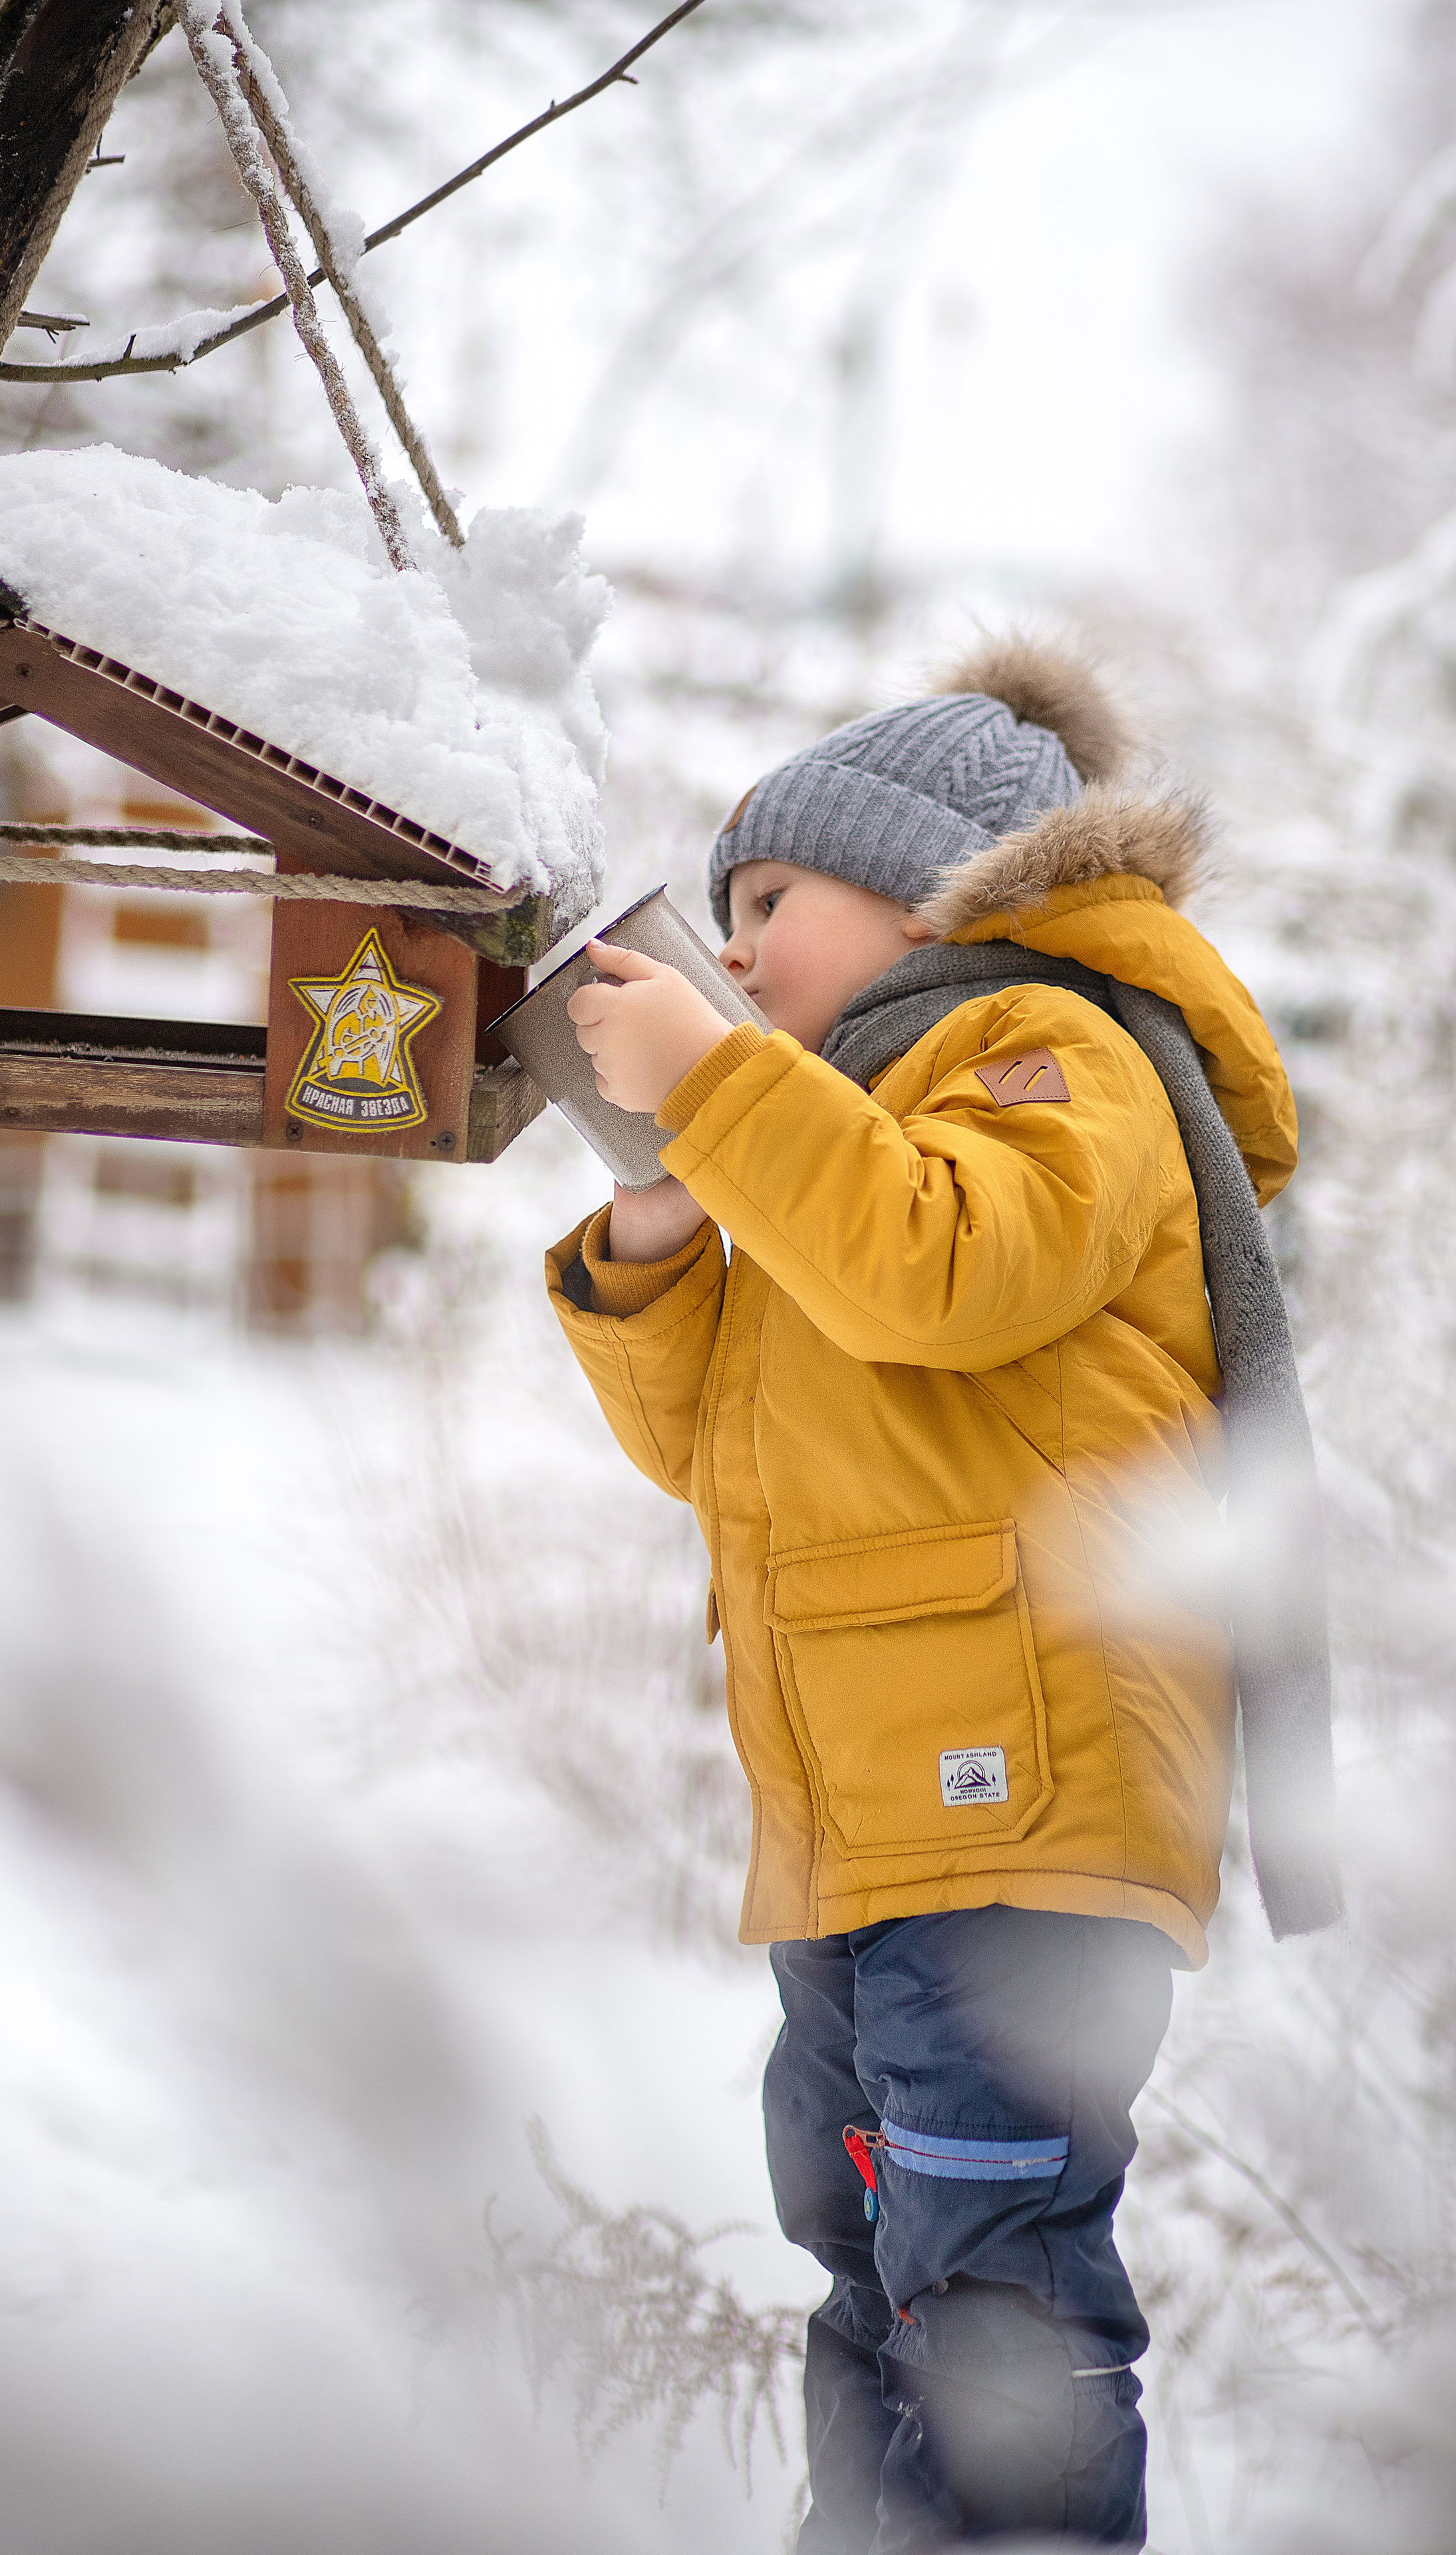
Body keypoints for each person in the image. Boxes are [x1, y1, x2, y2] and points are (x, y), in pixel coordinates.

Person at [544, 637, 1338, 2550]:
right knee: (871, 2257)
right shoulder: (839, 1131)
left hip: (1024, 1802)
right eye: (727, 919)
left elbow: (948, 1271)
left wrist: (721, 1089)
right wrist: (659, 1218)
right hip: (873, 1817)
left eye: (769, 907)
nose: (739, 959)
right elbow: (710, 1443)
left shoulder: (1054, 1056)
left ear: (925, 894)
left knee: (991, 2279)